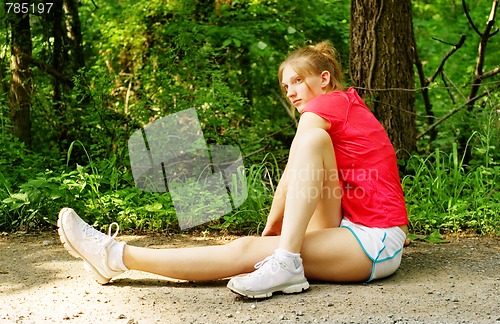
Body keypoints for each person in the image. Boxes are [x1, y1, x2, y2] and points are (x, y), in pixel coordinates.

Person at [57, 41, 409, 299]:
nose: (290, 91)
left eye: (298, 81)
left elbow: (293, 170)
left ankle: (114, 257)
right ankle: (284, 258)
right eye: (285, 86)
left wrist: (274, 234)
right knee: (304, 156)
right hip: (352, 229)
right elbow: (298, 171)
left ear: (324, 78)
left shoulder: (327, 105)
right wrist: (273, 229)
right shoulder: (343, 105)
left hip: (372, 243)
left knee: (246, 250)